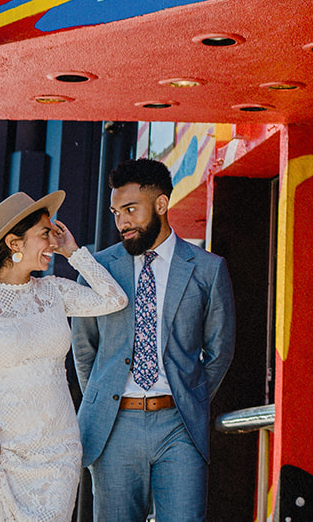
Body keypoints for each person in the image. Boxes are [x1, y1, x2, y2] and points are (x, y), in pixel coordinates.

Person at [0, 191, 127, 522]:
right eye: (44, 233)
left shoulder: (54, 292)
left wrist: (73, 252)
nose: (52, 241)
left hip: (58, 453)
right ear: (14, 244)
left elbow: (114, 298)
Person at [72, 158, 235, 522]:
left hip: (179, 426)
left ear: (161, 205)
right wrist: (106, 398)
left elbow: (220, 349)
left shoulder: (207, 269)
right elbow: (85, 352)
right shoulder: (97, 271)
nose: (122, 222)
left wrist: (188, 396)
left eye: (130, 210)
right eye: (116, 212)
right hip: (114, 428)